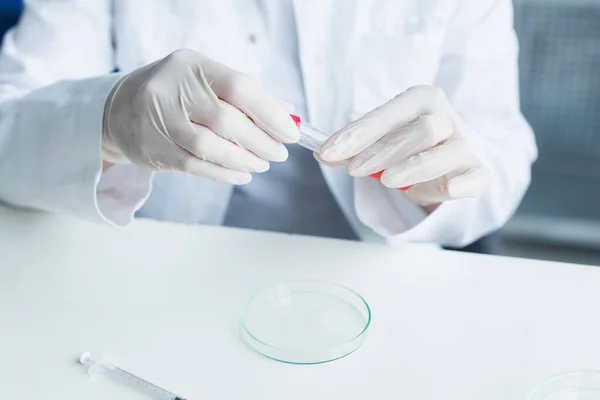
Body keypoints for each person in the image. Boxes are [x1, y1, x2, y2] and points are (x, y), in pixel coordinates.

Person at [0, 0, 536, 247]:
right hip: (161, 267)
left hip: (371, 281)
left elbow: (502, 158)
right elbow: (8, 133)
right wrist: (110, 122)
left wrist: (439, 186)